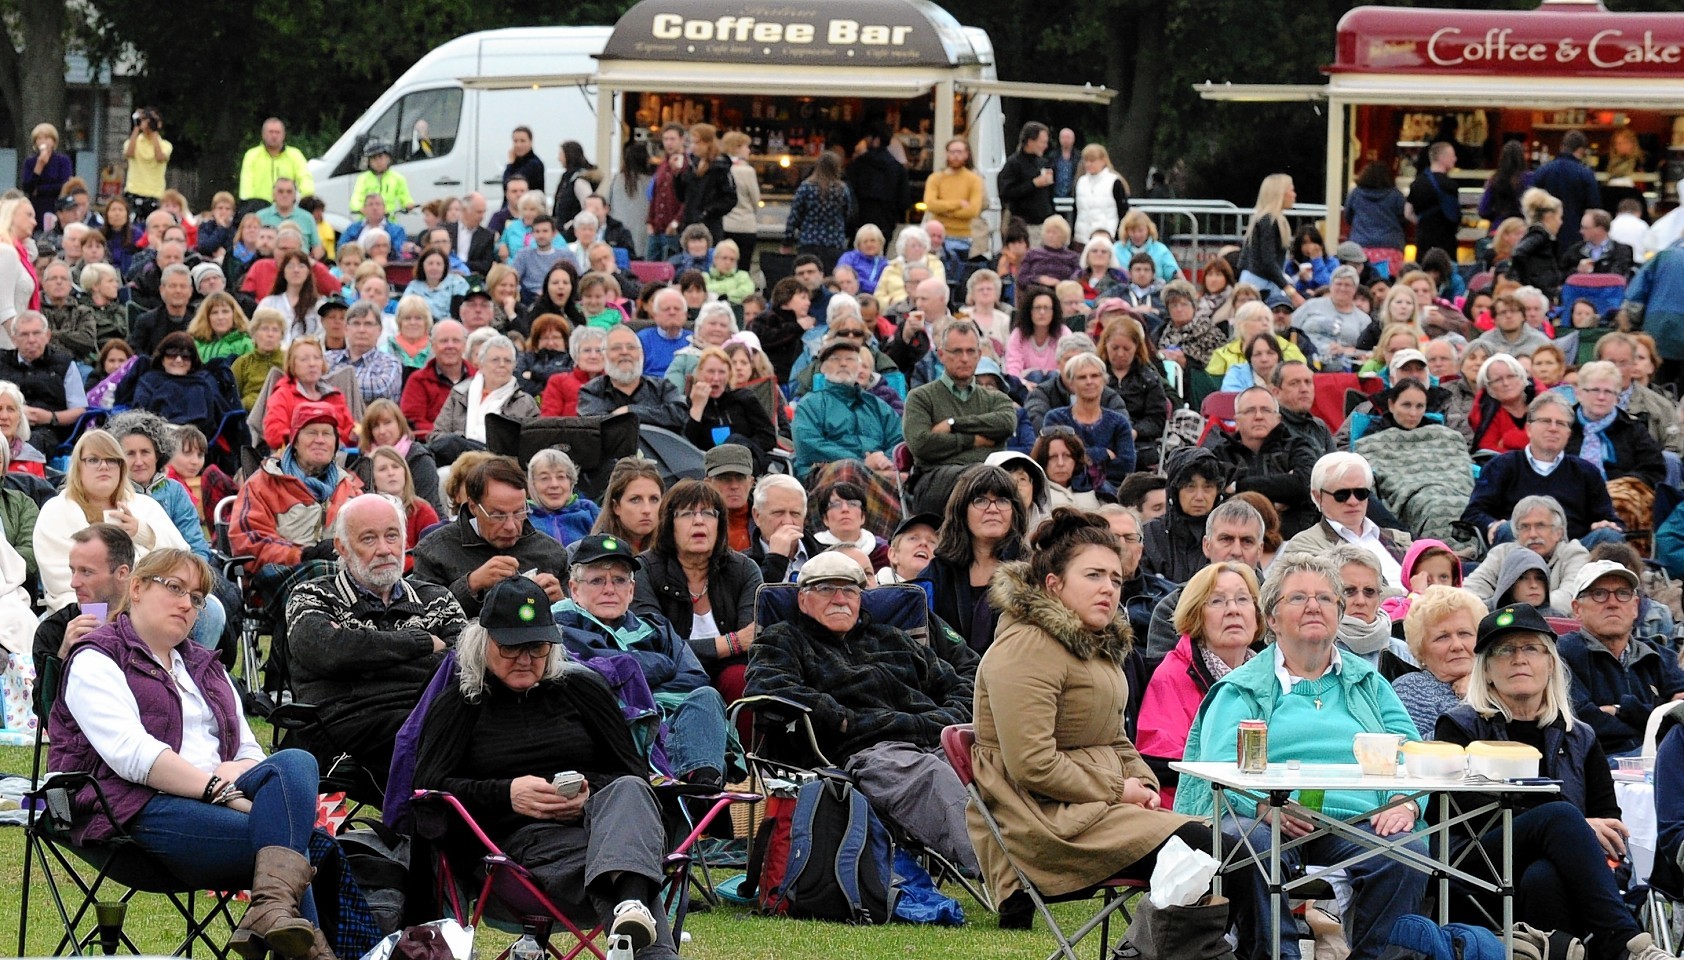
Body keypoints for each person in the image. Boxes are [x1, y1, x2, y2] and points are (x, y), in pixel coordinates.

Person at [49, 546, 345, 960]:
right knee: (296, 844)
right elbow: (132, 755)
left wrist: (232, 779)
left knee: (297, 761)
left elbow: (249, 751)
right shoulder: (97, 658)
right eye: (174, 588)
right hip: (134, 807)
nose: (187, 604)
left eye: (197, 597)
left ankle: (272, 909)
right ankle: (293, 929)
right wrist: (221, 791)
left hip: (222, 797)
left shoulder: (208, 667)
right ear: (135, 588)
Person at [409, 575, 678, 960]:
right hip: (518, 852)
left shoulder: (582, 690)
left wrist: (587, 792)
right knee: (625, 861)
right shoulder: (461, 704)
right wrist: (508, 794)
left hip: (604, 828)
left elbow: (631, 771)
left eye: (536, 648)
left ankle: (629, 911)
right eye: (510, 648)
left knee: (631, 790)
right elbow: (428, 790)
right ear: (482, 644)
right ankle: (641, 931)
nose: (525, 659)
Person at [1175, 553, 1428, 960]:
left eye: (1326, 599)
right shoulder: (1242, 688)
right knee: (1245, 839)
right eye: (1298, 599)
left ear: (1339, 614)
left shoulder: (1370, 685)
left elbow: (1415, 756)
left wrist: (1407, 803)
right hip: (1268, 818)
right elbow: (1217, 767)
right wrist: (1263, 805)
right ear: (1271, 620)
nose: (1314, 606)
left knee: (1408, 848)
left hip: (1360, 822)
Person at [1434, 603, 1674, 960]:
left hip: (1556, 874)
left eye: (1531, 648)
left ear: (1550, 664)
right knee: (1561, 815)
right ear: (1486, 671)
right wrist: (1573, 824)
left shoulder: (1581, 736)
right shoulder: (1459, 727)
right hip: (1477, 863)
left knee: (1543, 877)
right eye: (1505, 650)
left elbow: (1610, 823)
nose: (1519, 659)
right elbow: (1469, 814)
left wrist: (1577, 830)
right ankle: (1627, 943)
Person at [746, 551, 979, 874]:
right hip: (864, 749)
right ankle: (1002, 869)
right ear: (802, 600)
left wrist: (944, 721)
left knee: (989, 768)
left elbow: (959, 687)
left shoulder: (893, 638)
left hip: (932, 737)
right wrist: (839, 718)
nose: (840, 599)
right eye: (827, 589)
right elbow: (767, 687)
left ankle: (1036, 862)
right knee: (930, 775)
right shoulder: (784, 640)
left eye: (851, 590)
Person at [286, 494, 464, 787]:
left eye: (392, 536)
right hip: (345, 727)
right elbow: (330, 653)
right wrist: (419, 643)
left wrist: (361, 656)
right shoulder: (311, 596)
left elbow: (462, 665)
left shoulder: (437, 598)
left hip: (429, 713)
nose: (384, 550)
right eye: (369, 539)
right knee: (439, 737)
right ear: (342, 548)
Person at [554, 533, 729, 785]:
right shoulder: (560, 631)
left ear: (632, 589)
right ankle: (700, 799)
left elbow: (694, 678)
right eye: (596, 581)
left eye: (619, 580)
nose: (609, 590)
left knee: (707, 697)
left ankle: (700, 786)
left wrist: (643, 689)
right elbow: (597, 680)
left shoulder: (657, 628)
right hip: (610, 735)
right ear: (574, 590)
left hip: (670, 729)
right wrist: (660, 665)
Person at [1137, 560, 1264, 808]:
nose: (1233, 610)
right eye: (1217, 601)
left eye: (1243, 599)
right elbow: (1162, 761)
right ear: (1196, 616)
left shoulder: (1271, 672)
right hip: (1197, 808)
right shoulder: (1173, 673)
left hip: (1266, 803)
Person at [630, 479, 761, 701]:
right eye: (688, 514)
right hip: (669, 674)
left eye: (709, 513)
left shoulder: (744, 569)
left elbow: (751, 641)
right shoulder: (644, 568)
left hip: (728, 671)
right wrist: (730, 642)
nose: (699, 521)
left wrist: (735, 645)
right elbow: (655, 644)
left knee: (742, 678)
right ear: (669, 524)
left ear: (720, 524)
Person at [413, 457, 569, 619]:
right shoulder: (434, 552)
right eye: (497, 515)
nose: (511, 526)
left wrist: (561, 602)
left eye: (518, 512)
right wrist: (471, 585)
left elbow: (577, 622)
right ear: (473, 507)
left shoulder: (551, 552)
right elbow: (423, 620)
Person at [1557, 560, 1684, 759]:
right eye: (1599, 594)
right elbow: (1582, 722)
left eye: (1623, 593)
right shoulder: (1562, 654)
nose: (1613, 603)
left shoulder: (1658, 656)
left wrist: (1623, 710)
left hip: (1659, 760)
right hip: (1598, 765)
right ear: (1577, 609)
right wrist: (1655, 715)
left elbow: (1680, 714)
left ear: (1635, 607)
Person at [230, 402, 363, 589]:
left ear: (335, 443)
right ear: (295, 441)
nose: (320, 439)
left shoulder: (350, 487)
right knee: (325, 573)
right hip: (281, 578)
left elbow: (367, 538)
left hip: (342, 576)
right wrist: (303, 554)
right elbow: (249, 542)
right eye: (311, 432)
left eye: (326, 433)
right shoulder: (262, 483)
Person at [1464, 393, 1623, 546]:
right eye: (1546, 421)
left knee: (1609, 535)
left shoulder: (1586, 471)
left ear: (1568, 433)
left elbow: (1610, 519)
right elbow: (1473, 514)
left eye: (1560, 423)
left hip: (1574, 553)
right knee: (1506, 529)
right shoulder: (1501, 466)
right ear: (1528, 428)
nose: (1553, 428)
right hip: (1519, 550)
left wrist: (1605, 524)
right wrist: (1492, 525)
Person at [903, 321, 1017, 515]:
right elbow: (921, 443)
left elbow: (1006, 424)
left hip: (989, 478)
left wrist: (953, 424)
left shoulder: (995, 398)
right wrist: (973, 440)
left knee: (1022, 477)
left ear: (979, 355)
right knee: (981, 478)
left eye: (970, 351)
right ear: (941, 355)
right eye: (956, 352)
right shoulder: (921, 397)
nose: (964, 358)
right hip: (935, 481)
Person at [915, 464, 1026, 654]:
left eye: (1002, 500)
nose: (993, 509)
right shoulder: (936, 575)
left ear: (1014, 511)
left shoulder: (1033, 572)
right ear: (962, 511)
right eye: (981, 500)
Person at [1210, 387, 1318, 538]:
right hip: (1237, 539)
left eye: (1266, 410)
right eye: (1250, 411)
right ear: (1237, 421)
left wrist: (1239, 486)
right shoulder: (1220, 453)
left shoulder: (1298, 446)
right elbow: (1214, 498)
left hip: (1293, 540)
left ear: (1278, 418)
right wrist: (1278, 496)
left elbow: (1304, 485)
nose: (1258, 416)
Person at [429, 334, 540, 455]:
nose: (502, 364)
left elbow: (532, 446)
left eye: (507, 361)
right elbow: (437, 436)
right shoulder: (459, 394)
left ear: (514, 366)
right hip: (454, 463)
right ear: (481, 365)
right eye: (495, 360)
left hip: (501, 465)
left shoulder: (525, 403)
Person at [0, 311, 87, 456]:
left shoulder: (65, 364)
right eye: (24, 334)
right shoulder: (2, 362)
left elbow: (79, 410)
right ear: (14, 339)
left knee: (35, 442)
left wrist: (50, 417)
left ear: (47, 336)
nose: (31, 340)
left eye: (36, 333)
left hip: (48, 430)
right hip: (5, 426)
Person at [577, 325, 687, 432]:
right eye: (616, 348)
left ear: (641, 354)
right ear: (604, 356)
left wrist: (631, 411)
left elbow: (679, 415)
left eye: (631, 347)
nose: (625, 352)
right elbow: (594, 427)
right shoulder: (590, 392)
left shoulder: (663, 387)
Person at [400, 320, 473, 440]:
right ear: (432, 346)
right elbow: (413, 421)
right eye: (444, 341)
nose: (450, 346)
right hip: (431, 447)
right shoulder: (418, 380)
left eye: (456, 340)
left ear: (465, 345)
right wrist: (445, 438)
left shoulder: (479, 379)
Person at [1532, 131, 1601, 252]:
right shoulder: (1585, 174)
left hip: (1544, 233)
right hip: (1575, 234)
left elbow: (1531, 202)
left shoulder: (1542, 171)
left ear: (1562, 147)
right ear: (1581, 150)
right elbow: (1593, 208)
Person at [923, 138, 986, 257]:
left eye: (960, 152)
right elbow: (930, 204)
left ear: (967, 154)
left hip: (963, 237)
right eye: (952, 152)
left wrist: (944, 212)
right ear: (947, 154)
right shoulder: (935, 178)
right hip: (935, 236)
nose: (956, 155)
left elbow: (973, 210)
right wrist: (958, 203)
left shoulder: (974, 180)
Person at [237, 118, 314, 211]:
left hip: (287, 209)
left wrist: (307, 199)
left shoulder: (295, 155)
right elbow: (246, 185)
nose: (274, 136)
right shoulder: (252, 155)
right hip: (258, 210)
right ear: (263, 134)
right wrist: (249, 206)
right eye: (270, 132)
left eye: (277, 132)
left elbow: (305, 178)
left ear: (284, 135)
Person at [589, 458, 663, 555]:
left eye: (654, 499)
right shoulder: (594, 553)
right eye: (635, 500)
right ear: (616, 506)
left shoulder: (673, 550)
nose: (647, 510)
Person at [526, 449, 598, 548]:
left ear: (571, 482)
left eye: (561, 477)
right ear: (532, 484)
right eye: (544, 478)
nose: (554, 485)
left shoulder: (589, 510)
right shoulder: (523, 515)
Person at [1344, 162, 1408, 273]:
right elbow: (1404, 218)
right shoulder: (1396, 195)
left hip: (1360, 246)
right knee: (1388, 284)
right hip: (1390, 246)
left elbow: (1348, 217)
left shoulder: (1356, 194)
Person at [997, 122, 1054, 243]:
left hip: (1043, 223)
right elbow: (1006, 193)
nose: (1045, 146)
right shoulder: (1013, 163)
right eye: (1042, 142)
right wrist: (1033, 184)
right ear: (1030, 141)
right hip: (1023, 225)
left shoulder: (1042, 162)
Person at [1507, 188, 1568, 302]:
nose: (1561, 222)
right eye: (1559, 217)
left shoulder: (1541, 237)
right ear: (1549, 217)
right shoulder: (1539, 236)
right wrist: (1528, 284)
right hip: (1539, 294)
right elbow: (1519, 253)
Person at [1405, 141, 1462, 262]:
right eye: (1452, 156)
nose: (1455, 159)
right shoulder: (1450, 185)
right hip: (1446, 242)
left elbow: (1408, 213)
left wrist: (1423, 222)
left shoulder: (1417, 183)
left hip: (1424, 240)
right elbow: (1455, 217)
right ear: (1442, 158)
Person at [539, 325, 607, 418]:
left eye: (599, 350)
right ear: (576, 354)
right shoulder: (558, 382)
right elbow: (548, 422)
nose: (593, 356)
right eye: (587, 350)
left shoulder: (614, 383)